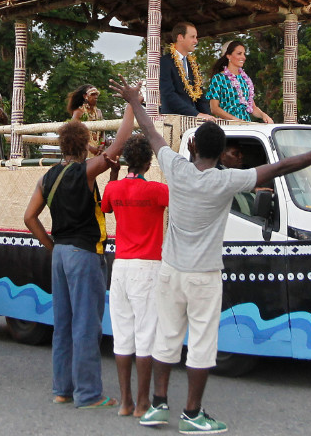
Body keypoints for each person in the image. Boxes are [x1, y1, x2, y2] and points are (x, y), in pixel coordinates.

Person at [110, 76, 311, 434]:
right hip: (204, 275)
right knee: (202, 345)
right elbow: (281, 168)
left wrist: (135, 99)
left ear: (191, 146)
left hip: (170, 272)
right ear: (222, 152)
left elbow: (150, 130)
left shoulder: (175, 170)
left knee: (165, 339)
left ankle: (158, 405)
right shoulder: (227, 181)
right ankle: (192, 414)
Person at [23, 109, 135, 409]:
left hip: (60, 253)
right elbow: (120, 143)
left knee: (63, 324)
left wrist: (51, 246)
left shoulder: (48, 177)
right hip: (84, 254)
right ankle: (88, 393)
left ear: (62, 146)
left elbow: (29, 218)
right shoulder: (84, 172)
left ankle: (62, 389)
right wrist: (130, 107)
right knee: (86, 325)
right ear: (85, 144)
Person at [101, 134, 170, 417]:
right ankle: (143, 403)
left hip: (121, 267)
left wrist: (115, 174)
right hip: (148, 267)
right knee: (145, 337)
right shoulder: (157, 190)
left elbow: (106, 205)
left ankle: (125, 402)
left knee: (122, 336)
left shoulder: (114, 189)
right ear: (149, 162)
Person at [204, 41, 273, 123]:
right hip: (228, 125)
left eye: (244, 54)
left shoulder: (245, 79)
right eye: (239, 53)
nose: (243, 57)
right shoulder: (218, 78)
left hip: (245, 125)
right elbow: (214, 108)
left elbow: (252, 107)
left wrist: (263, 115)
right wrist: (235, 120)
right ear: (229, 56)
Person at [159, 22, 212, 119]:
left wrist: (209, 117)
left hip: (193, 121)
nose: (196, 41)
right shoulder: (165, 62)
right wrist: (196, 114)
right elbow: (168, 94)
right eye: (192, 37)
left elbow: (199, 95)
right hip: (172, 120)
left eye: (196, 37)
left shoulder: (193, 65)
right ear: (180, 37)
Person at [67, 85, 104, 157]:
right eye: (93, 94)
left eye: (97, 94)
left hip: (97, 150)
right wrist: (89, 148)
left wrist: (102, 144)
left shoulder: (99, 112)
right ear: (85, 96)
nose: (96, 96)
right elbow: (73, 133)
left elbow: (103, 131)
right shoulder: (78, 112)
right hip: (83, 151)